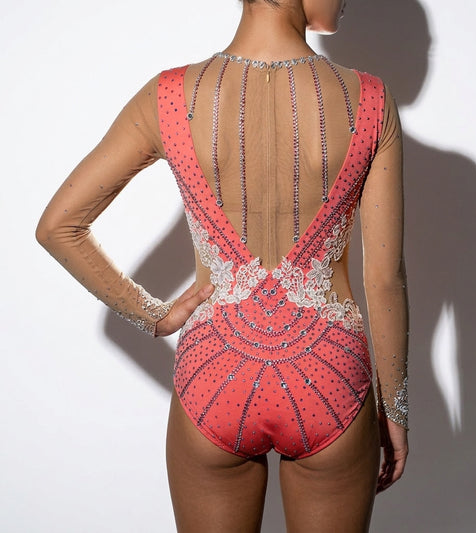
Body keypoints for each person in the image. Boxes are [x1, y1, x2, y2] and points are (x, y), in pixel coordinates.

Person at [36, 0, 409, 531]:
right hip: (329, 377)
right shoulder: (370, 100)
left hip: (214, 374)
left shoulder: (169, 95)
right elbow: (383, 279)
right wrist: (395, 408)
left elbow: (58, 227)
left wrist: (154, 315)